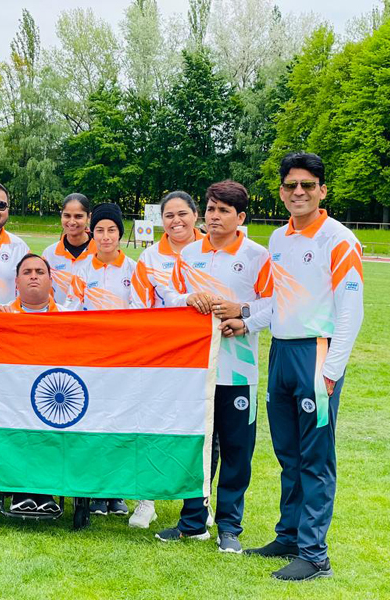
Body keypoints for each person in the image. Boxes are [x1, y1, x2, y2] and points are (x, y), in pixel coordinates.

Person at [245, 153, 363, 581]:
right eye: (291, 185)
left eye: (307, 186)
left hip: (316, 353)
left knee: (315, 457)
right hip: (281, 352)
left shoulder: (339, 239)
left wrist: (331, 371)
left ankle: (315, 556)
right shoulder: (278, 240)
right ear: (281, 191)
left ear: (322, 191)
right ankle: (290, 536)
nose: (299, 192)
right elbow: (277, 302)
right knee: (288, 453)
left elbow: (351, 311)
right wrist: (244, 319)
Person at [154, 180, 273, 554]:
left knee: (237, 450)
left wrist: (244, 317)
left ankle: (229, 528)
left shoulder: (257, 255)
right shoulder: (188, 255)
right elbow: (168, 297)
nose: (215, 216)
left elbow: (274, 305)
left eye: (223, 210)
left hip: (240, 371)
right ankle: (192, 523)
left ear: (240, 217)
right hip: (196, 371)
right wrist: (190, 297)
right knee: (197, 447)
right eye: (210, 208)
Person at [128, 190, 205, 529]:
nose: (176, 221)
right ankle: (147, 500)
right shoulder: (149, 258)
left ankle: (199, 504)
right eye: (169, 215)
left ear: (195, 214)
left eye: (182, 214)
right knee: (151, 426)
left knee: (199, 429)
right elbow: (139, 310)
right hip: (159, 355)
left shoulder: (210, 250)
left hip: (200, 356)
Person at [65, 203, 135, 517]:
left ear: (121, 234)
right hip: (91, 360)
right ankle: (94, 490)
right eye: (101, 230)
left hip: (123, 360)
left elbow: (141, 313)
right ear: (93, 233)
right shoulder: (82, 270)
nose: (106, 237)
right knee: (93, 423)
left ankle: (117, 493)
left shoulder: (134, 270)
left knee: (119, 423)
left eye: (112, 231)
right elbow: (71, 311)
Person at [0, 253, 63, 515]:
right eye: (27, 272)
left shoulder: (68, 317)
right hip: (13, 397)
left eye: (40, 271)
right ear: (17, 283)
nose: (34, 276)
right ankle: (19, 490)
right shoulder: (1, 314)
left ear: (50, 280)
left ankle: (44, 492)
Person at [41, 193, 96, 303]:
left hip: (89, 319)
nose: (71, 222)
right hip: (57, 318)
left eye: (78, 216)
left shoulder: (101, 253)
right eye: (67, 215)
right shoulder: (49, 254)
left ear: (89, 217)